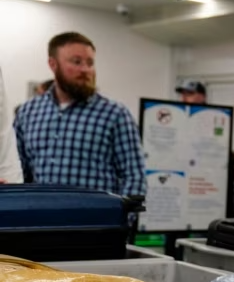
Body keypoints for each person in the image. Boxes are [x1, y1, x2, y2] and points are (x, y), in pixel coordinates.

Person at [14, 32, 145, 198]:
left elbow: (134, 175)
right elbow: (19, 172)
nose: (85, 69)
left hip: (97, 221)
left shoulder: (115, 115)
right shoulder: (28, 113)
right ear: (53, 64)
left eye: (90, 63)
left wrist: (122, 218)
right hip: (41, 219)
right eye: (76, 62)